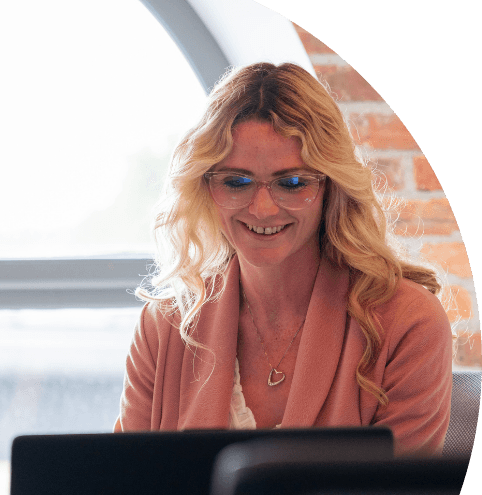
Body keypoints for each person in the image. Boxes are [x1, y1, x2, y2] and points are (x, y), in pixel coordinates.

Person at [115, 62, 452, 455]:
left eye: (292, 183)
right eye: (236, 182)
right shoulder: (162, 328)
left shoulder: (408, 324)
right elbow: (123, 486)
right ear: (204, 187)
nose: (262, 208)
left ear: (331, 187)